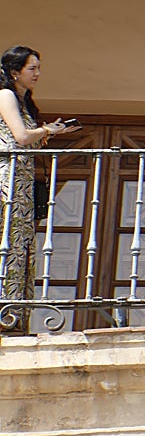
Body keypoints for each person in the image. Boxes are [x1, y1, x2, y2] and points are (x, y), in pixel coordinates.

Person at [0, 46, 75, 334]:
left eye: (38, 68)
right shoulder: (6, 95)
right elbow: (20, 136)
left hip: (22, 179)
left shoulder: (23, 101)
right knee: (9, 238)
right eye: (32, 68)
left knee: (20, 242)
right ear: (14, 72)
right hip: (8, 178)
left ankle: (14, 312)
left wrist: (47, 133)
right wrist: (46, 131)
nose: (37, 74)